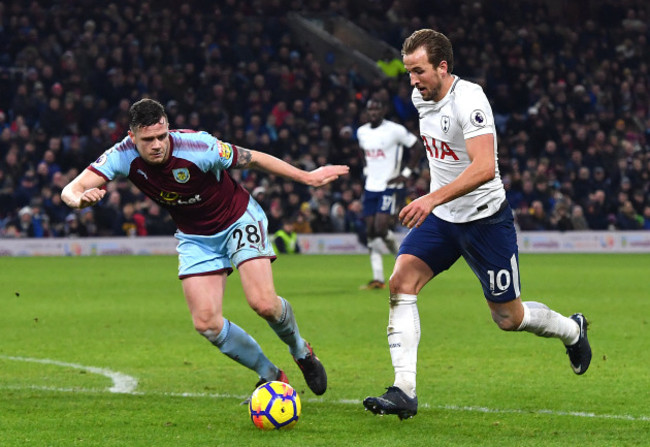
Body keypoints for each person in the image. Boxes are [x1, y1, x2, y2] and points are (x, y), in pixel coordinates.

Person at [363, 30, 591, 420]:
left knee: (508, 318)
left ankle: (572, 330)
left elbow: (485, 167)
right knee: (401, 282)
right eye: (408, 73)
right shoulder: (421, 97)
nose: (412, 81)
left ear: (443, 66)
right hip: (442, 220)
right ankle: (404, 390)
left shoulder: (470, 100)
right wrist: (435, 199)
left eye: (418, 71)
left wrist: (431, 196)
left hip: (485, 220)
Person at [61, 98, 349, 398]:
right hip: (195, 237)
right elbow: (70, 189)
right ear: (132, 137)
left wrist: (307, 177)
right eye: (148, 140)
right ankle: (271, 374)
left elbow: (253, 158)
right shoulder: (121, 155)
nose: (158, 145)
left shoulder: (200, 146)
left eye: (162, 136)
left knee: (263, 303)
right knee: (206, 323)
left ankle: (300, 351)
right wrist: (79, 200)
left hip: (238, 219)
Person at [357, 98, 421, 289]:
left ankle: (403, 266)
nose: (373, 113)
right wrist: (367, 169)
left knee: (380, 226)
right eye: (370, 110)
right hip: (371, 186)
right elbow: (362, 152)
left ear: (383, 110)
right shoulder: (362, 132)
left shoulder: (395, 130)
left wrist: (405, 174)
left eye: (377, 109)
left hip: (389, 185)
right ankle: (378, 279)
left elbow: (417, 147)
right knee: (371, 231)